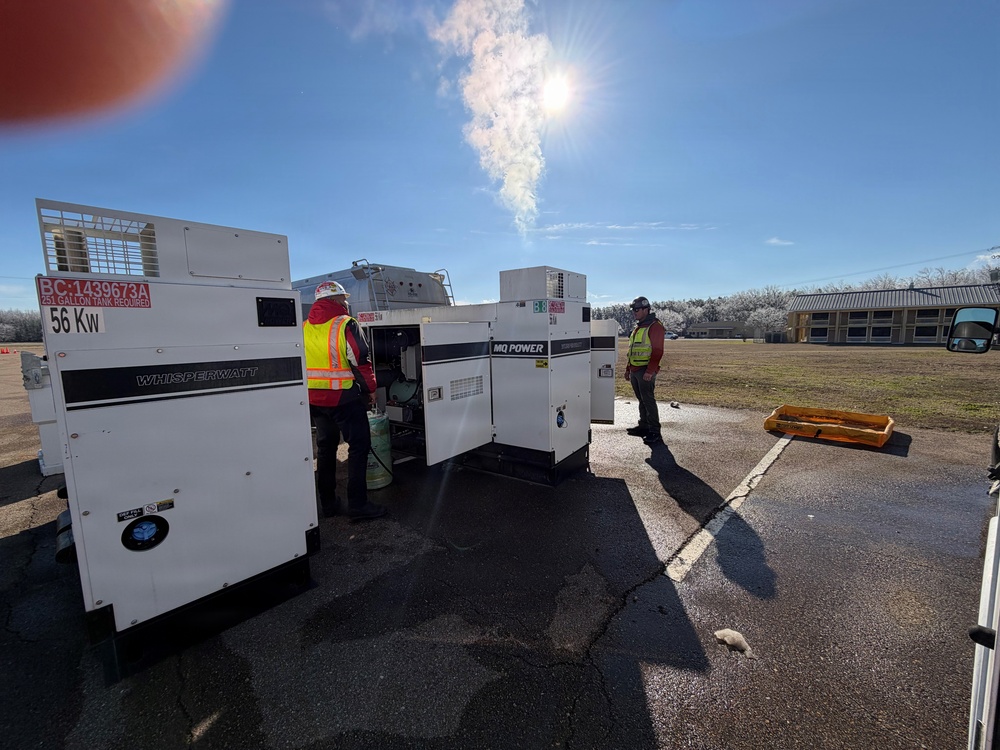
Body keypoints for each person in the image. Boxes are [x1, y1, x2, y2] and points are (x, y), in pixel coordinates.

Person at [303, 280, 387, 521]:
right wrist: (370, 389)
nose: (347, 301)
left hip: (314, 399)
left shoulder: (304, 326)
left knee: (326, 449)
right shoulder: (345, 323)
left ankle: (328, 504)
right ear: (336, 300)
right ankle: (358, 505)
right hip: (343, 398)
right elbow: (360, 360)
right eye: (344, 298)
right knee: (359, 447)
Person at [624, 296, 666, 445]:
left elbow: (658, 350)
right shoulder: (639, 327)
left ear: (646, 309)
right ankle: (644, 426)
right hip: (635, 369)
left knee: (648, 400)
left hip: (645, 370)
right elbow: (633, 349)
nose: (634, 312)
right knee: (641, 399)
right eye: (633, 310)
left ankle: (655, 431)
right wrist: (628, 368)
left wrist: (650, 371)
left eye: (637, 310)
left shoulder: (655, 326)